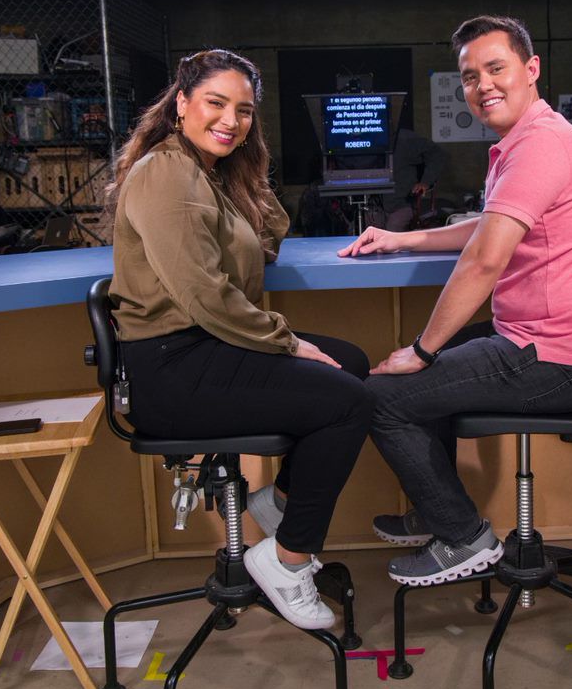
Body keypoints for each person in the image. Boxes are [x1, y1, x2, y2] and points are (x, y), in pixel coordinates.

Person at [337, 16, 572, 586]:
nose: (482, 85)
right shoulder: (526, 140)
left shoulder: (539, 145)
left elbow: (485, 260)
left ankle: (462, 535)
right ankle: (438, 515)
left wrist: (422, 348)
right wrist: (404, 237)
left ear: (531, 69)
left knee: (382, 396)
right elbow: (487, 228)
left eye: (496, 68)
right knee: (423, 375)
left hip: (557, 359)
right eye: (470, 76)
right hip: (544, 341)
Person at [105, 49, 373, 629]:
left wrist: (242, 165)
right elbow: (204, 293)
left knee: (351, 362)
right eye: (216, 104)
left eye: (245, 111)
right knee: (349, 402)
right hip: (172, 368)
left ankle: (275, 505)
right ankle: (284, 559)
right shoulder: (167, 173)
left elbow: (269, 237)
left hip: (203, 348)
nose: (232, 120)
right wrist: (288, 342)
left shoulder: (204, 171)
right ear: (181, 103)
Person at [381, 125, 448, 232]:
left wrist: (425, 182)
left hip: (401, 205)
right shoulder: (361, 143)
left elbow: (437, 154)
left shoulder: (404, 139)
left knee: (392, 232)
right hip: (372, 207)